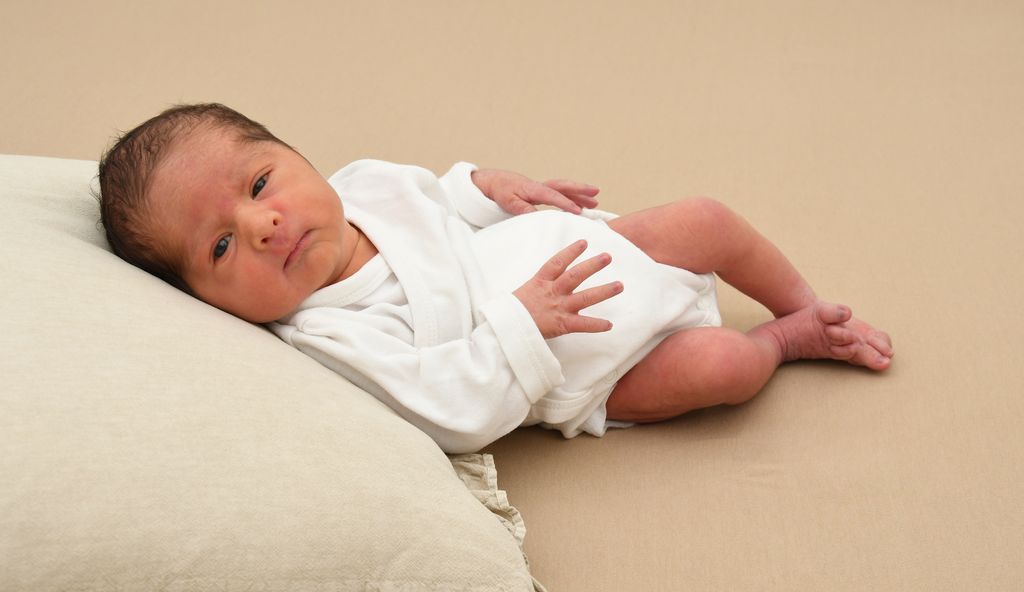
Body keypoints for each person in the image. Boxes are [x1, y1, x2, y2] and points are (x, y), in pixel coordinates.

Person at [98, 103, 893, 453]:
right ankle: (789, 340)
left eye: (260, 183)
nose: (262, 224)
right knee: (724, 366)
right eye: (221, 247)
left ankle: (810, 305)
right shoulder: (331, 333)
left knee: (707, 218)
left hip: (590, 252)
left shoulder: (366, 183)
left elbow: (440, 195)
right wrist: (524, 321)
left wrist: (489, 188)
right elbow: (449, 413)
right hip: (587, 370)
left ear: (296, 154)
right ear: (207, 303)